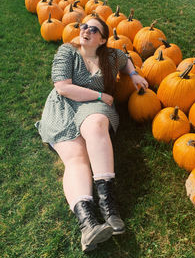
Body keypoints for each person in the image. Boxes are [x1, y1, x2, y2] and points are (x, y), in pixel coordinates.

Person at [35, 17, 148, 252]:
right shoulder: (67, 51)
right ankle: (88, 225)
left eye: (93, 29)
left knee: (96, 124)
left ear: (103, 39)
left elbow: (125, 59)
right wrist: (99, 96)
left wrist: (135, 73)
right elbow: (63, 87)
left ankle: (109, 207)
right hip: (65, 105)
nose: (85, 30)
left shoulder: (110, 57)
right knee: (76, 159)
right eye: (83, 26)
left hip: (92, 108)